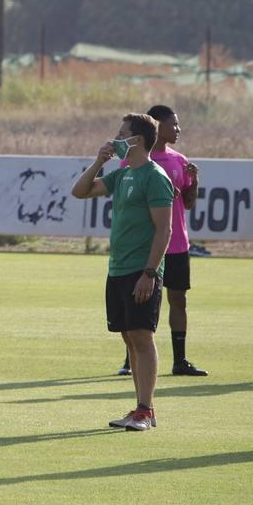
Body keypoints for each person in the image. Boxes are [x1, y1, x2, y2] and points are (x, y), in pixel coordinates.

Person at [72, 113, 174, 431]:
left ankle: (146, 409)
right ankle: (140, 410)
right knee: (129, 338)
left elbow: (164, 230)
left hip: (140, 271)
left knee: (142, 337)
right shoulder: (123, 174)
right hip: (117, 269)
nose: (115, 139)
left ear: (137, 140)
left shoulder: (154, 177)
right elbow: (80, 191)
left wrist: (150, 272)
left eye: (121, 134)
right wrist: (98, 161)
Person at [116, 104, 206, 377]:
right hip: (145, 245)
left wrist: (194, 183)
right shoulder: (134, 162)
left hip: (176, 244)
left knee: (178, 300)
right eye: (173, 124)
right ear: (158, 126)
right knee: (136, 303)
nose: (178, 129)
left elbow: (187, 203)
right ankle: (130, 361)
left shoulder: (180, 160)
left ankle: (180, 360)